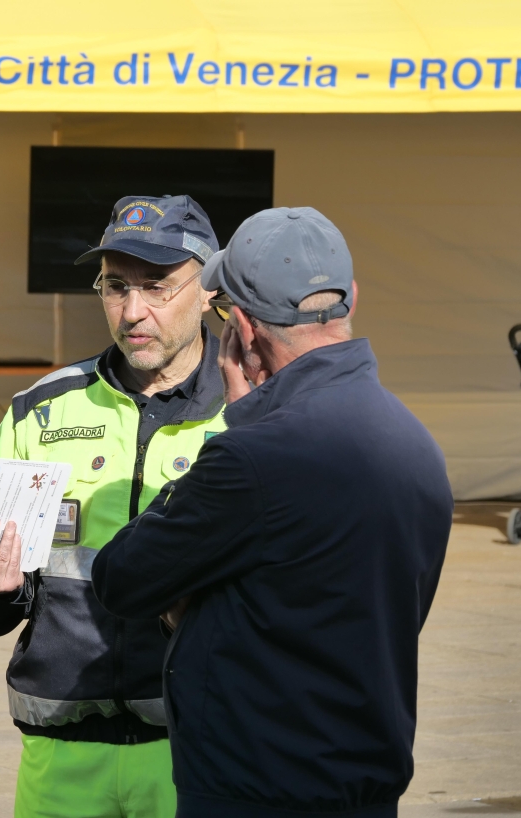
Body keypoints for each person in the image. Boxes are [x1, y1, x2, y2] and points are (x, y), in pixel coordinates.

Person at [91, 208, 453, 818]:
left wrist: (241, 426)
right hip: (365, 785)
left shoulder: (253, 456)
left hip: (255, 788)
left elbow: (122, 577)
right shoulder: (415, 442)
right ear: (349, 298)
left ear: (244, 331)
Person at [0, 195, 226, 818]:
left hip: (198, 753)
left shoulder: (249, 413)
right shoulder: (38, 410)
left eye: (157, 287)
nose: (134, 312)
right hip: (62, 757)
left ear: (208, 289)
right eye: (115, 287)